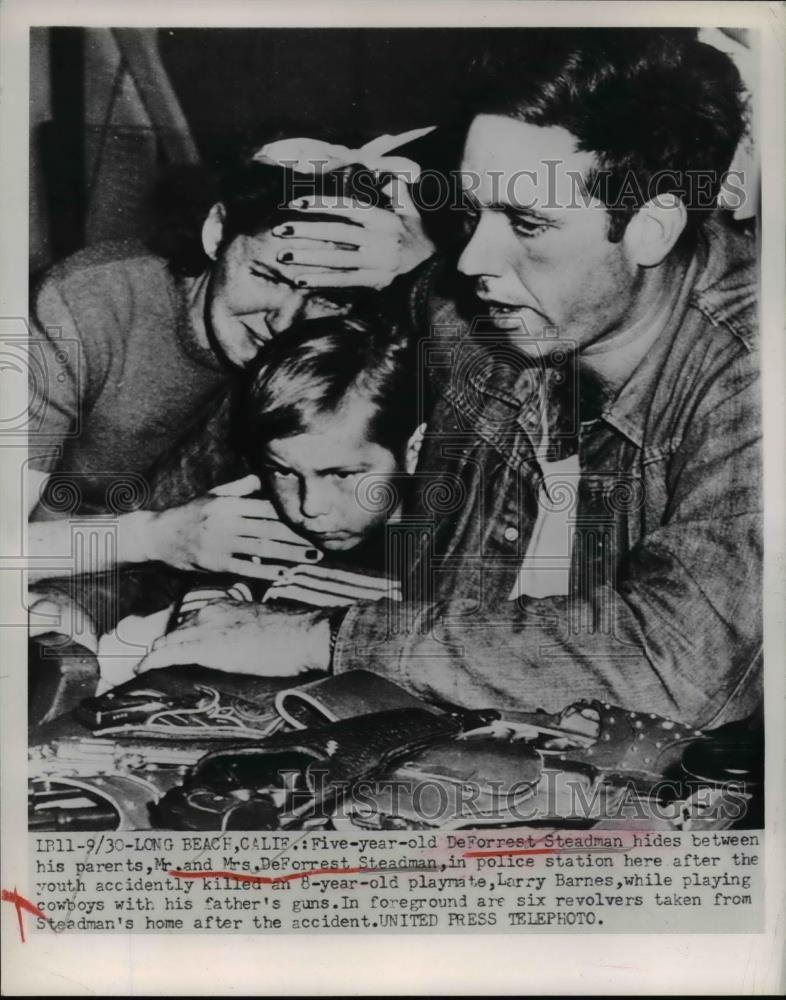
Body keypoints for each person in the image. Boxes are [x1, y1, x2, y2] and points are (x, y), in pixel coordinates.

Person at [138, 29, 761, 731]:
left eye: (525, 221)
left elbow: (680, 663)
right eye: (472, 212)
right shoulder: (471, 306)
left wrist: (325, 637)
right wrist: (117, 578)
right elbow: (257, 415)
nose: (470, 261)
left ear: (653, 226)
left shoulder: (754, 376)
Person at [27, 142, 434, 646]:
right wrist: (153, 537)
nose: (284, 321)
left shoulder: (313, 360)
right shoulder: (80, 308)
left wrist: (425, 273)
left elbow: (191, 548)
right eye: (266, 276)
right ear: (217, 231)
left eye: (326, 294)